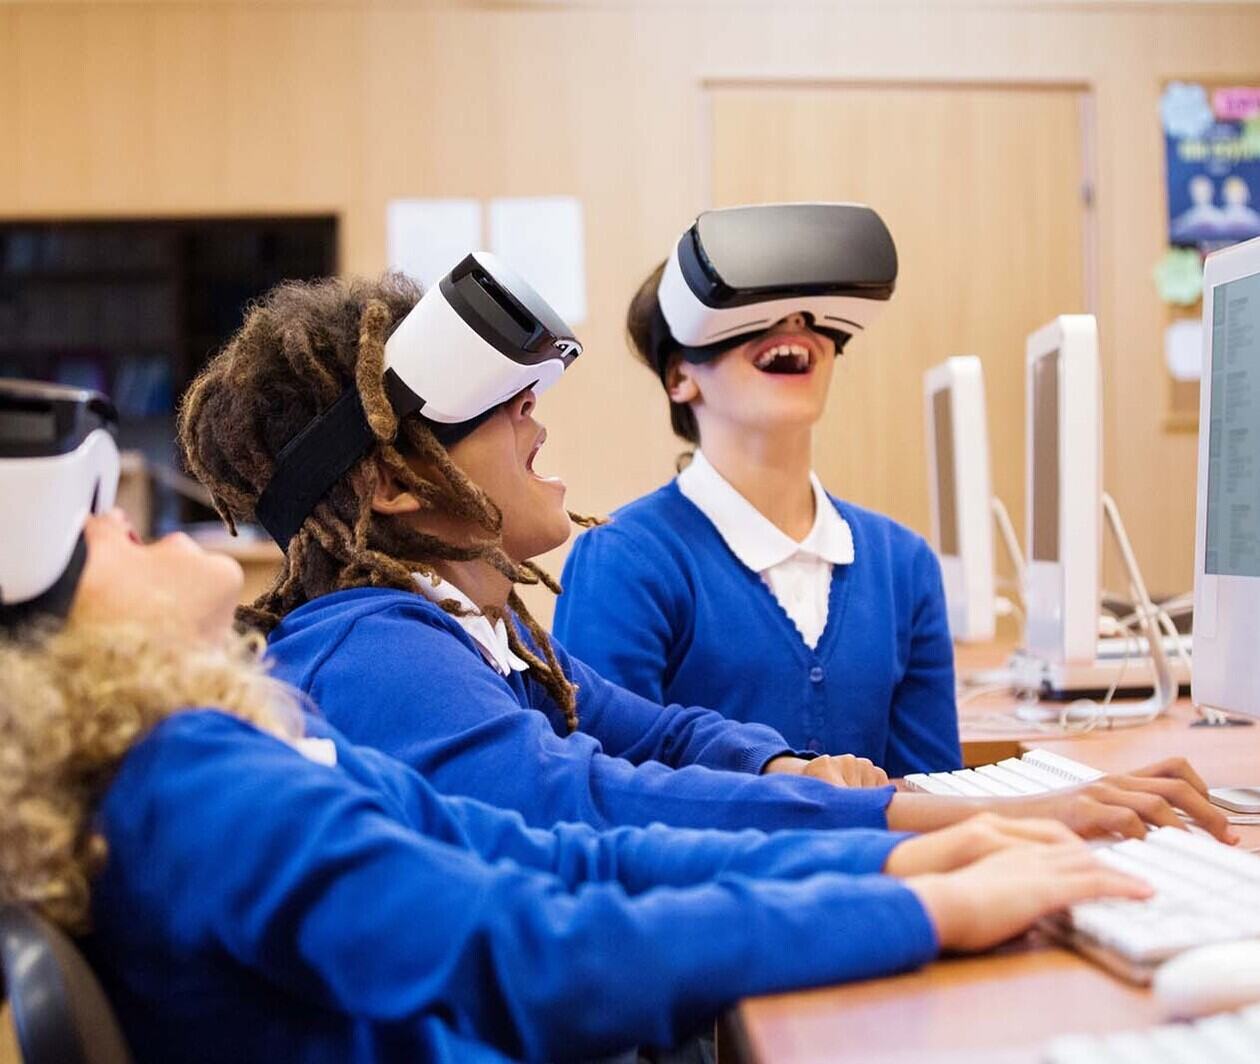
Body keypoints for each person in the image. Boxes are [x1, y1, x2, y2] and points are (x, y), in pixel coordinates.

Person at [0, 377, 1154, 1063]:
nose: (130, 521)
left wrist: (897, 853)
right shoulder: (191, 783)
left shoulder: (206, 750)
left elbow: (552, 848)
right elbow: (525, 942)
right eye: (92, 526)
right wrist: (920, 902)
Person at [177, 258, 1232, 843]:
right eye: (506, 411)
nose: (539, 423)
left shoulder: (480, 633)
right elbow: (590, 799)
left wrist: (786, 763)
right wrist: (909, 832)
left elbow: (657, 732)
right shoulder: (368, 650)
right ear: (399, 481)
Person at [554, 203, 945, 773]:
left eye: (809, 315)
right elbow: (610, 791)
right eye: (755, 314)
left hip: (885, 863)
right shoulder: (623, 561)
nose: (792, 326)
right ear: (679, 376)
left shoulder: (903, 565)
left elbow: (938, 794)